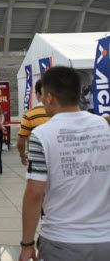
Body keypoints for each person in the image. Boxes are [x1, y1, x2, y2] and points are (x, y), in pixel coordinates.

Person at [19, 66, 110, 261]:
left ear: (50, 97)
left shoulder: (42, 135)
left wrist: (27, 243)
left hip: (62, 240)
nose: (42, 100)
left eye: (42, 95)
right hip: (106, 239)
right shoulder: (103, 125)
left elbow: (35, 194)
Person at [17, 80, 51, 166]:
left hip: (37, 160)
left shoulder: (29, 115)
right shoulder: (59, 113)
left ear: (38, 94)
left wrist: (22, 156)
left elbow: (21, 142)